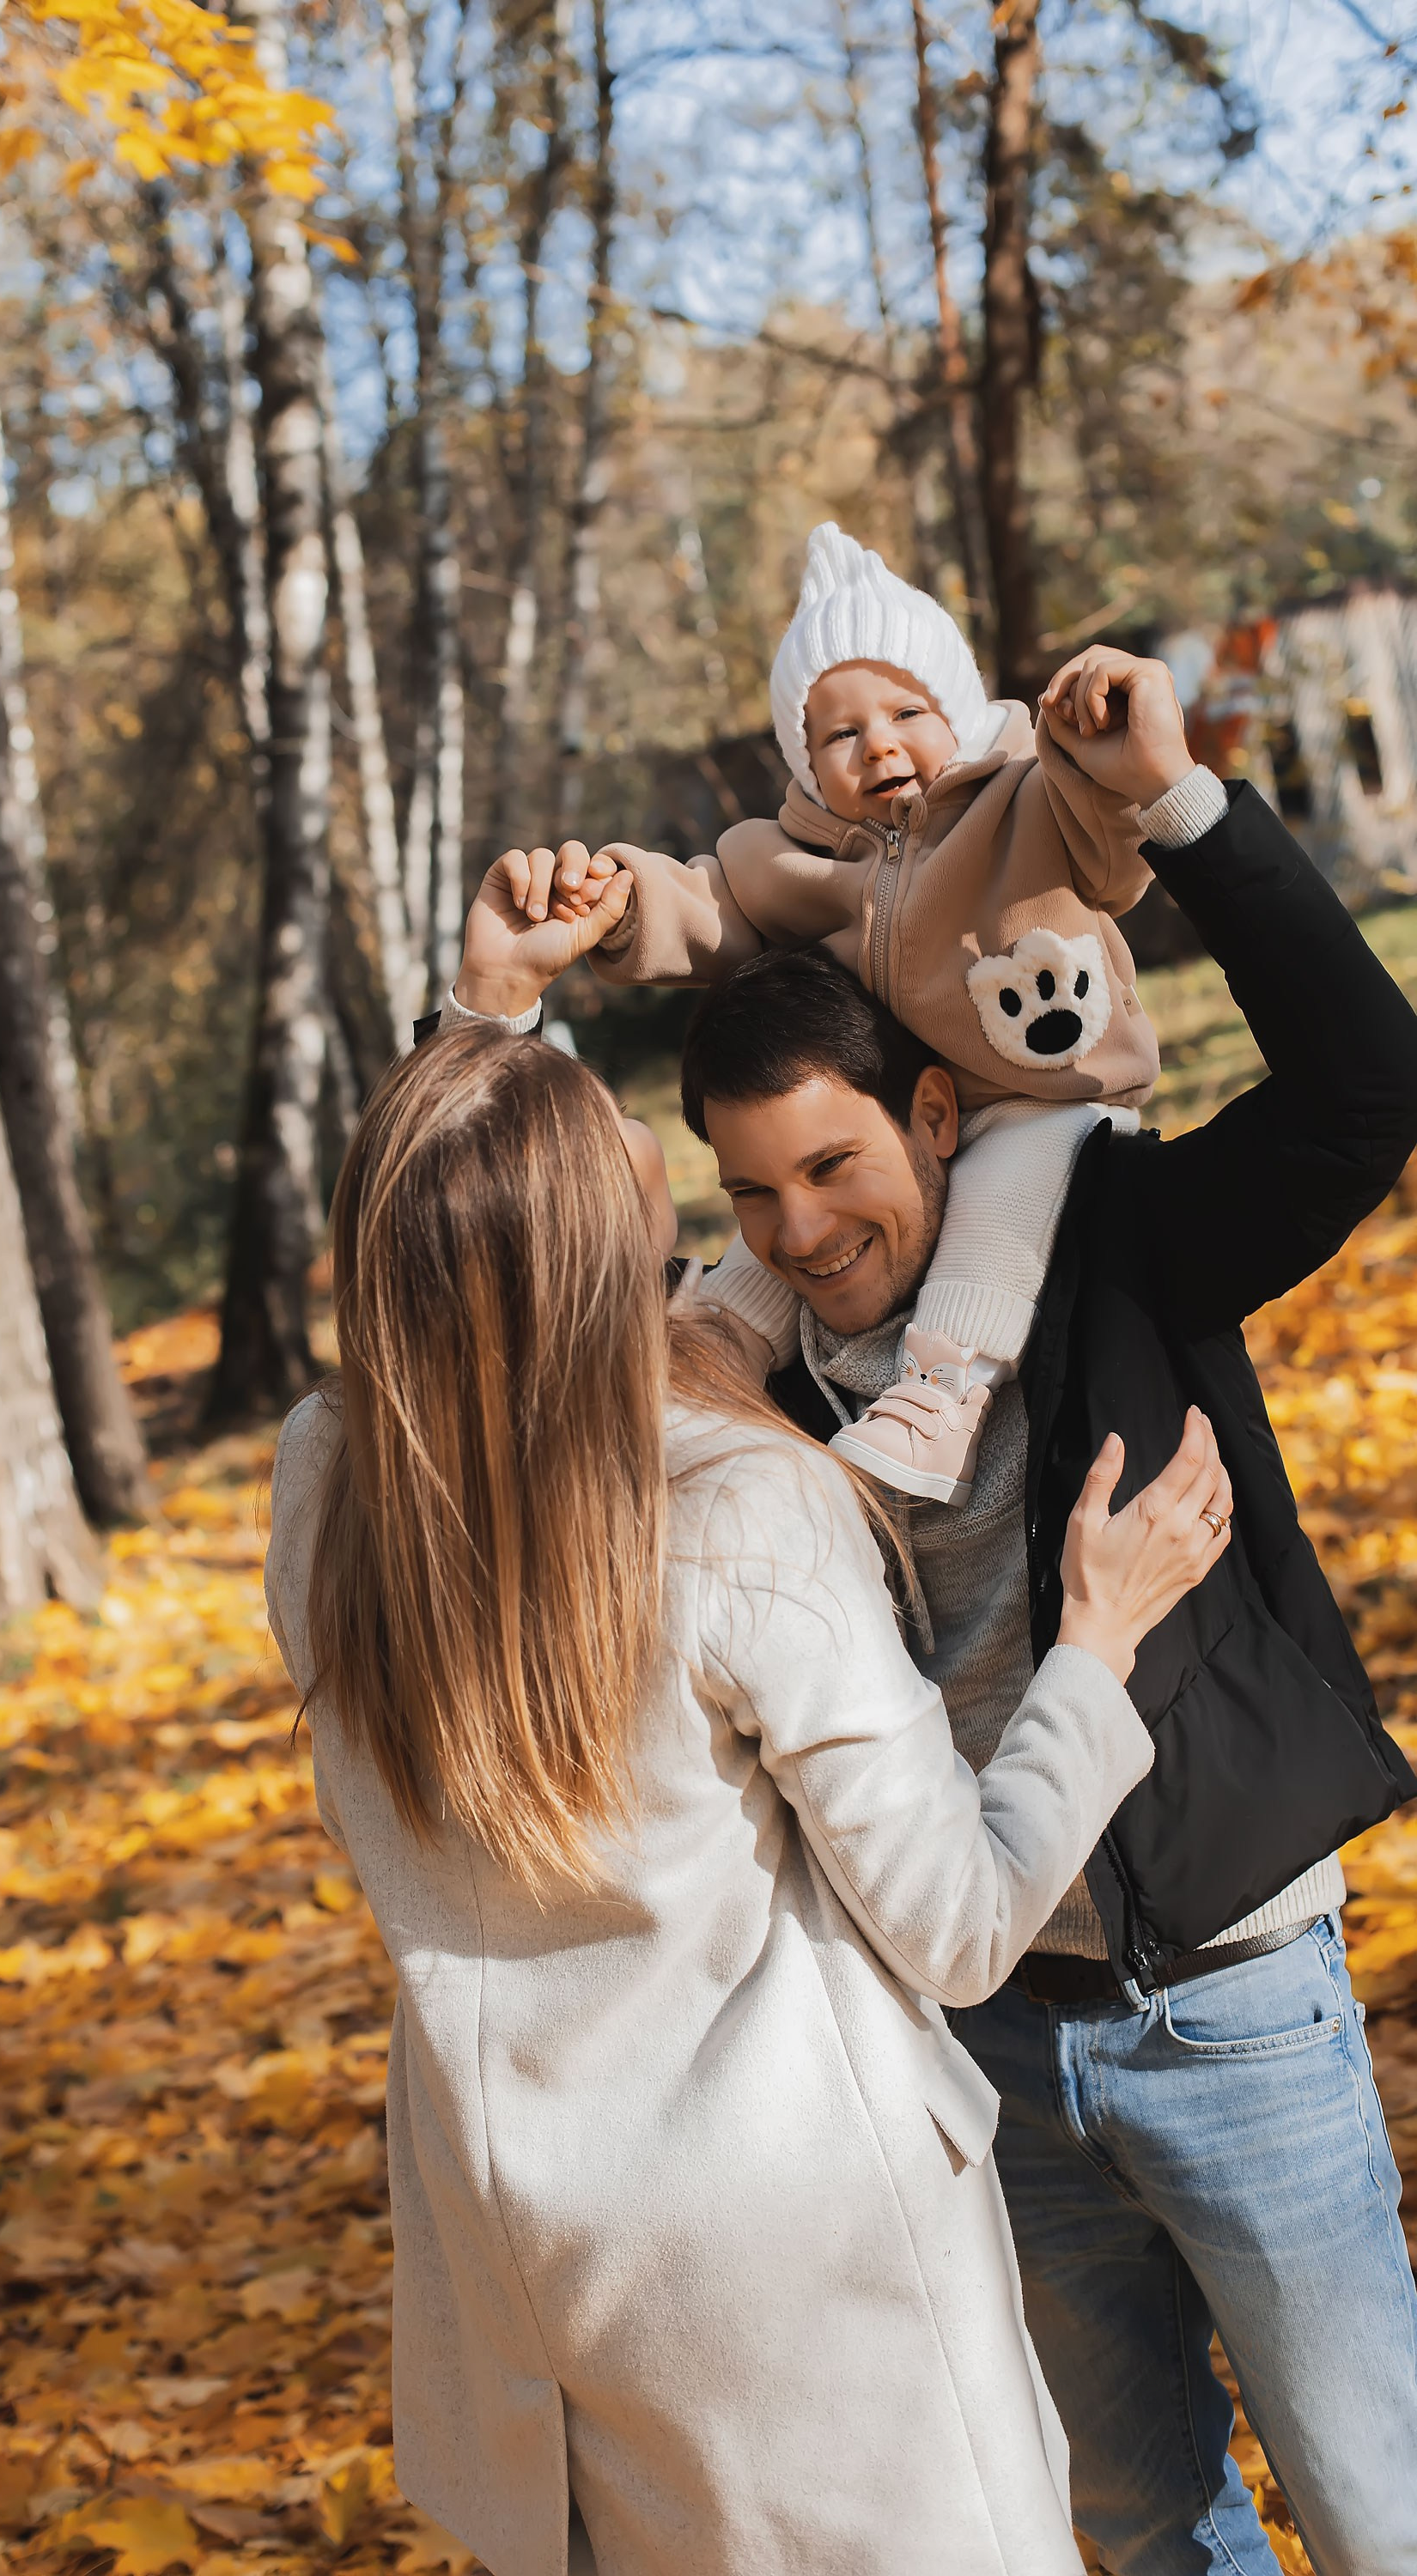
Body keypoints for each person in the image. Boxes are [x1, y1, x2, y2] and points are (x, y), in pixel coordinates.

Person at [471, 673, 1417, 2570]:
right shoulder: (733, 1384)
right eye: (751, 1194)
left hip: (1224, 1995)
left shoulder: (1113, 1247)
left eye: (833, 1168)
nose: (804, 1228)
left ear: (927, 1107)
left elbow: (1358, 1099)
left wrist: (1186, 814)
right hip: (975, 2044)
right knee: (1147, 2532)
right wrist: (494, 1009)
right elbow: (474, 1308)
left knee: (1379, 2506)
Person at [265, 902, 1236, 2576]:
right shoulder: (739, 1513)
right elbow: (955, 1920)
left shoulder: (331, 1497)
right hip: (811, 2294)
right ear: (602, 1254)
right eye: (655, 1195)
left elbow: (443, 1264)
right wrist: (1094, 1645)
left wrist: (482, 1012)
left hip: (532, 2295)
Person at [570, 526, 1223, 1509]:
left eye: (905, 712)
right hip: (900, 1118)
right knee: (776, 1233)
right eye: (838, 734)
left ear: (957, 714)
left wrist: (1114, 763)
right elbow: (712, 907)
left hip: (1046, 1104)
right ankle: (703, 1365)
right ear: (805, 763)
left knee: (998, 1205)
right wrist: (623, 908)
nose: (876, 743)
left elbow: (1112, 851)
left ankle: (940, 1395)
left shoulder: (1030, 802)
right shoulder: (793, 859)